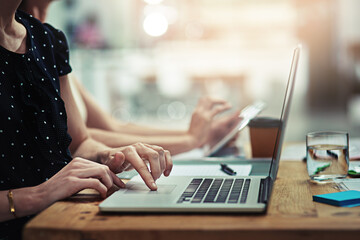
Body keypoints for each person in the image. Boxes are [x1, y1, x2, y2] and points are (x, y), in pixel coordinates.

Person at [0, 1, 172, 239]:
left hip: (67, 221)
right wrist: (38, 195)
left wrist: (109, 155)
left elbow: (79, 143)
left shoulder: (47, 39)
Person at [18, 0, 241, 156]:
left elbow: (110, 127)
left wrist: (199, 135)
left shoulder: (49, 43)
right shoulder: (22, 50)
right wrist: (189, 141)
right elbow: (75, 141)